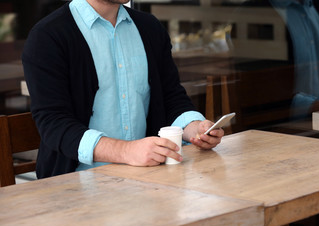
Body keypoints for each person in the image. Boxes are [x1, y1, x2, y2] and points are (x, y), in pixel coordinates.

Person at [22, 0, 224, 179]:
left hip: (151, 177)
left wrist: (196, 129)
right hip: (76, 183)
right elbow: (54, 124)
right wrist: (126, 151)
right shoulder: (47, 36)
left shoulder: (149, 27)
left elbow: (171, 98)